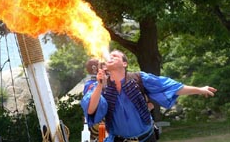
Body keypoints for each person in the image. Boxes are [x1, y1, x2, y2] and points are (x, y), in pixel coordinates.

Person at [81, 50, 217, 142]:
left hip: (146, 139)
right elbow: (91, 110)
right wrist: (99, 84)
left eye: (115, 56)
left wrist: (200, 89)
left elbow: (172, 87)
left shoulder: (139, 78)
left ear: (124, 63)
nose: (109, 57)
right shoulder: (100, 86)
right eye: (109, 56)